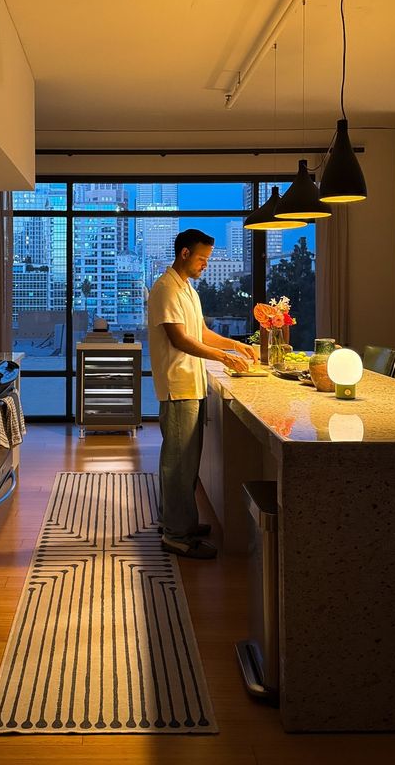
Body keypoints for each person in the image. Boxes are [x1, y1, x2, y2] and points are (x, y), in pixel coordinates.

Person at [147, 228, 257, 560]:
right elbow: (179, 339)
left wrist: (235, 344)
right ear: (184, 254)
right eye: (202, 258)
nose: (205, 265)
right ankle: (176, 536)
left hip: (190, 383)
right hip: (177, 384)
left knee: (185, 461)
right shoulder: (166, 289)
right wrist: (223, 357)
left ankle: (176, 521)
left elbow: (202, 332)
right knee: (179, 463)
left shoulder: (188, 291)